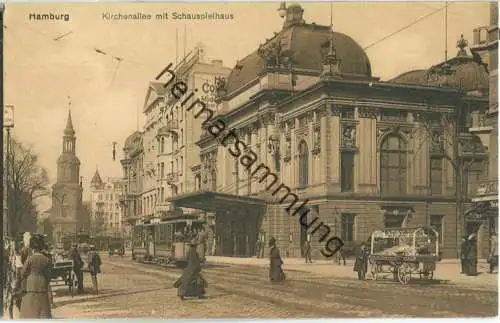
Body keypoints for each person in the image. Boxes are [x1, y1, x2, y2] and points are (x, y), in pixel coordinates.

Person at [15, 234, 52, 318]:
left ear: (33, 249)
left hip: (30, 284)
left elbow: (23, 273)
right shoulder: (46, 259)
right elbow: (49, 275)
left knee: (30, 305)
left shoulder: (30, 259)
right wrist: (46, 280)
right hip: (42, 283)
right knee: (43, 306)